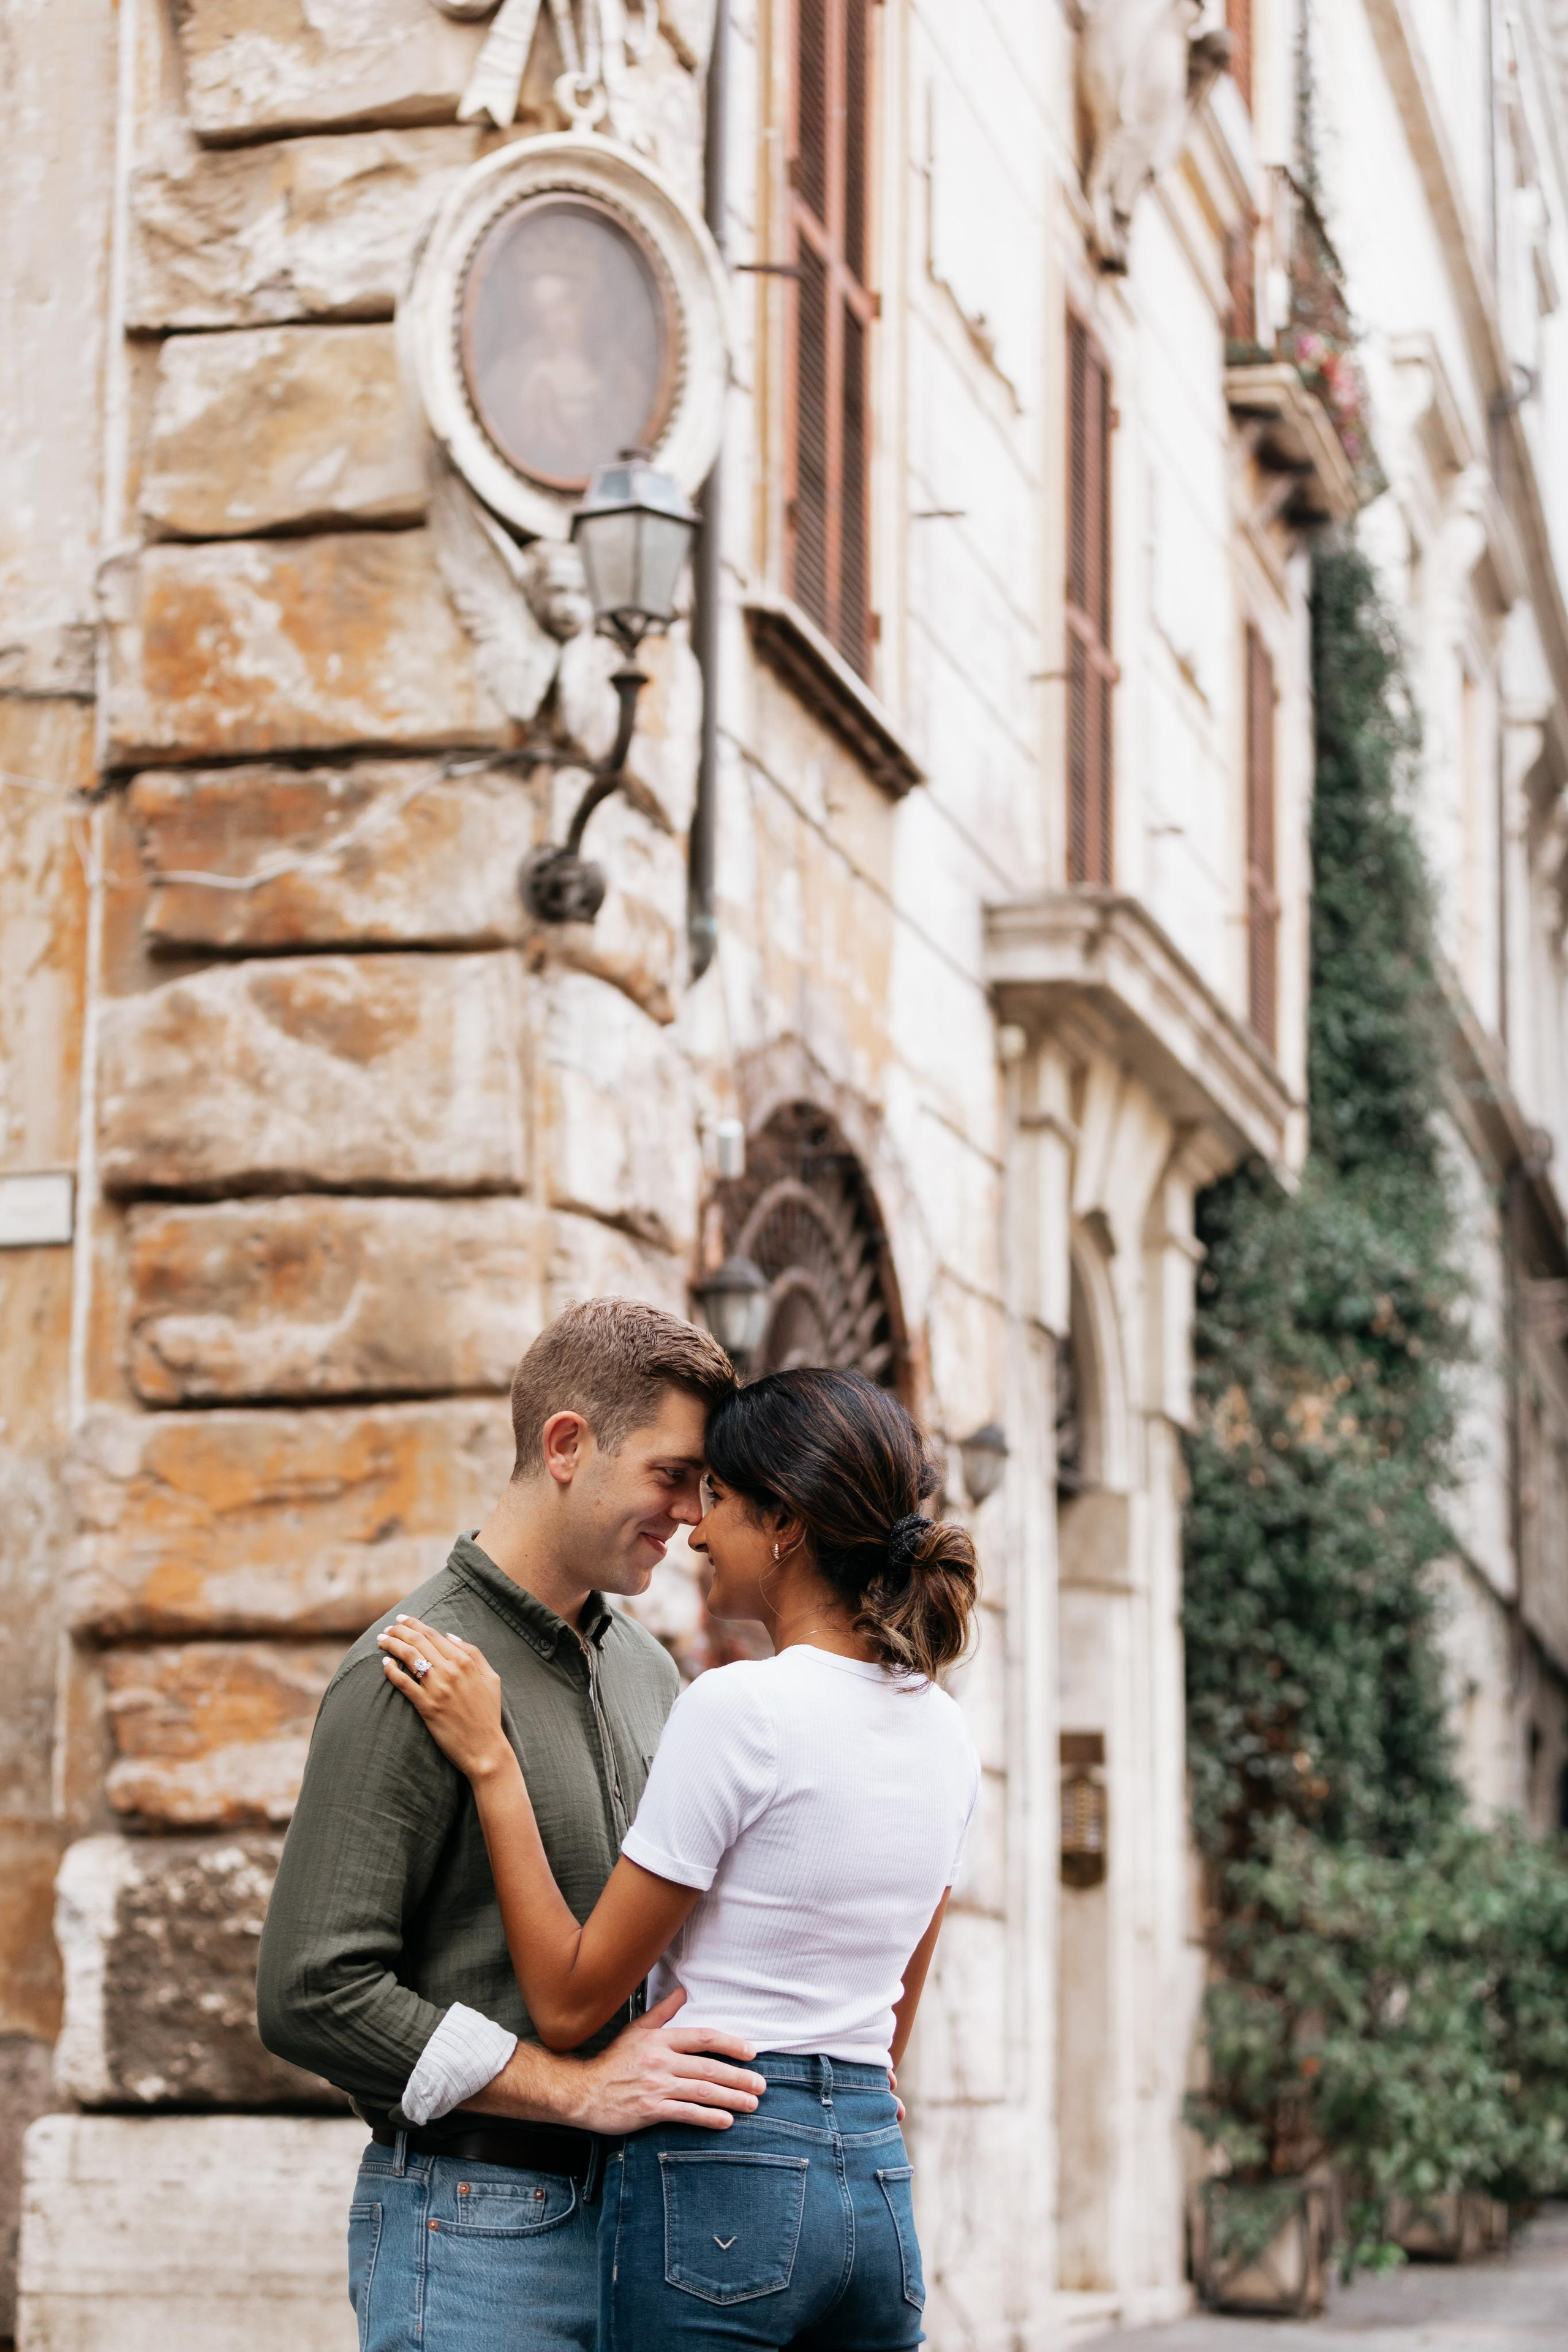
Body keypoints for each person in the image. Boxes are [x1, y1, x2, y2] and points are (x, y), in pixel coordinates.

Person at [379, 1365, 982, 2351]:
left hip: (726, 2163)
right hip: (874, 2180)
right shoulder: (946, 1732)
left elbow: (572, 2000)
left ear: (782, 1521)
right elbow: (894, 2011)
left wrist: (494, 1764)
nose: (698, 1531)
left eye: (722, 1501)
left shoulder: (740, 1709)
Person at [256, 1298, 769, 2352]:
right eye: (672, 1475)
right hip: (476, 2233)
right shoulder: (407, 1670)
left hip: (647, 2232)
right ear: (569, 1445)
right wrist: (576, 2093)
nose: (689, 1514)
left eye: (705, 1487)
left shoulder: (645, 1670)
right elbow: (312, 1992)